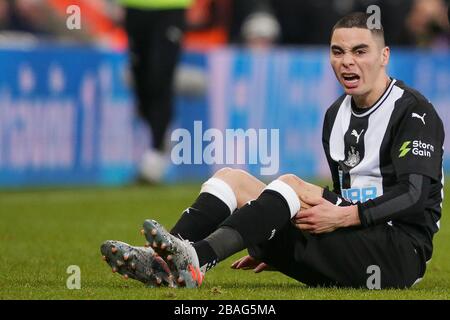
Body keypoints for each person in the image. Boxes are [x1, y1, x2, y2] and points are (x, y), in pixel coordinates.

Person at [101, 12, 445, 289]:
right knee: (231, 179)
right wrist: (268, 231)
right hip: (353, 238)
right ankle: (159, 261)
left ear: (384, 56)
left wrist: (344, 216)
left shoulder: (413, 111)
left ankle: (198, 257)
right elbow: (342, 195)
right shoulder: (335, 115)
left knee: (292, 184)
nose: (347, 62)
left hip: (398, 254)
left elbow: (414, 194)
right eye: (338, 52)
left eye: (360, 51)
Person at [119, 0, 192, 183]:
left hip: (171, 7)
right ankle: (158, 138)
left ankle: (156, 149)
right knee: (141, 82)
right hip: (135, 7)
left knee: (160, 78)